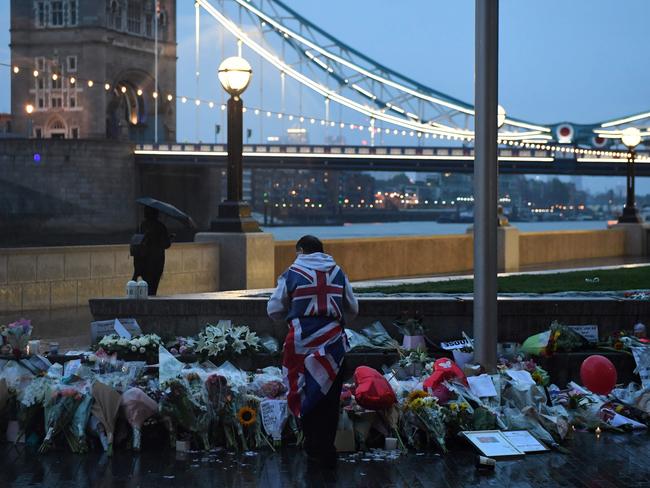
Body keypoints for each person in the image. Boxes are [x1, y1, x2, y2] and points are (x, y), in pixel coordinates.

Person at [267, 235, 358, 468]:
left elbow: (274, 309)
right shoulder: (338, 272)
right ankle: (327, 445)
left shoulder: (291, 273)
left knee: (303, 392)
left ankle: (311, 443)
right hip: (332, 345)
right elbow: (353, 308)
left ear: (300, 250)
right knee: (330, 395)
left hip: (300, 344)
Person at [132, 206, 171, 295]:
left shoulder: (141, 226)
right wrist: (169, 238)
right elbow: (166, 244)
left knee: (144, 288)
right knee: (152, 289)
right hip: (156, 264)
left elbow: (136, 242)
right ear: (156, 214)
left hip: (141, 263)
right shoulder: (160, 227)